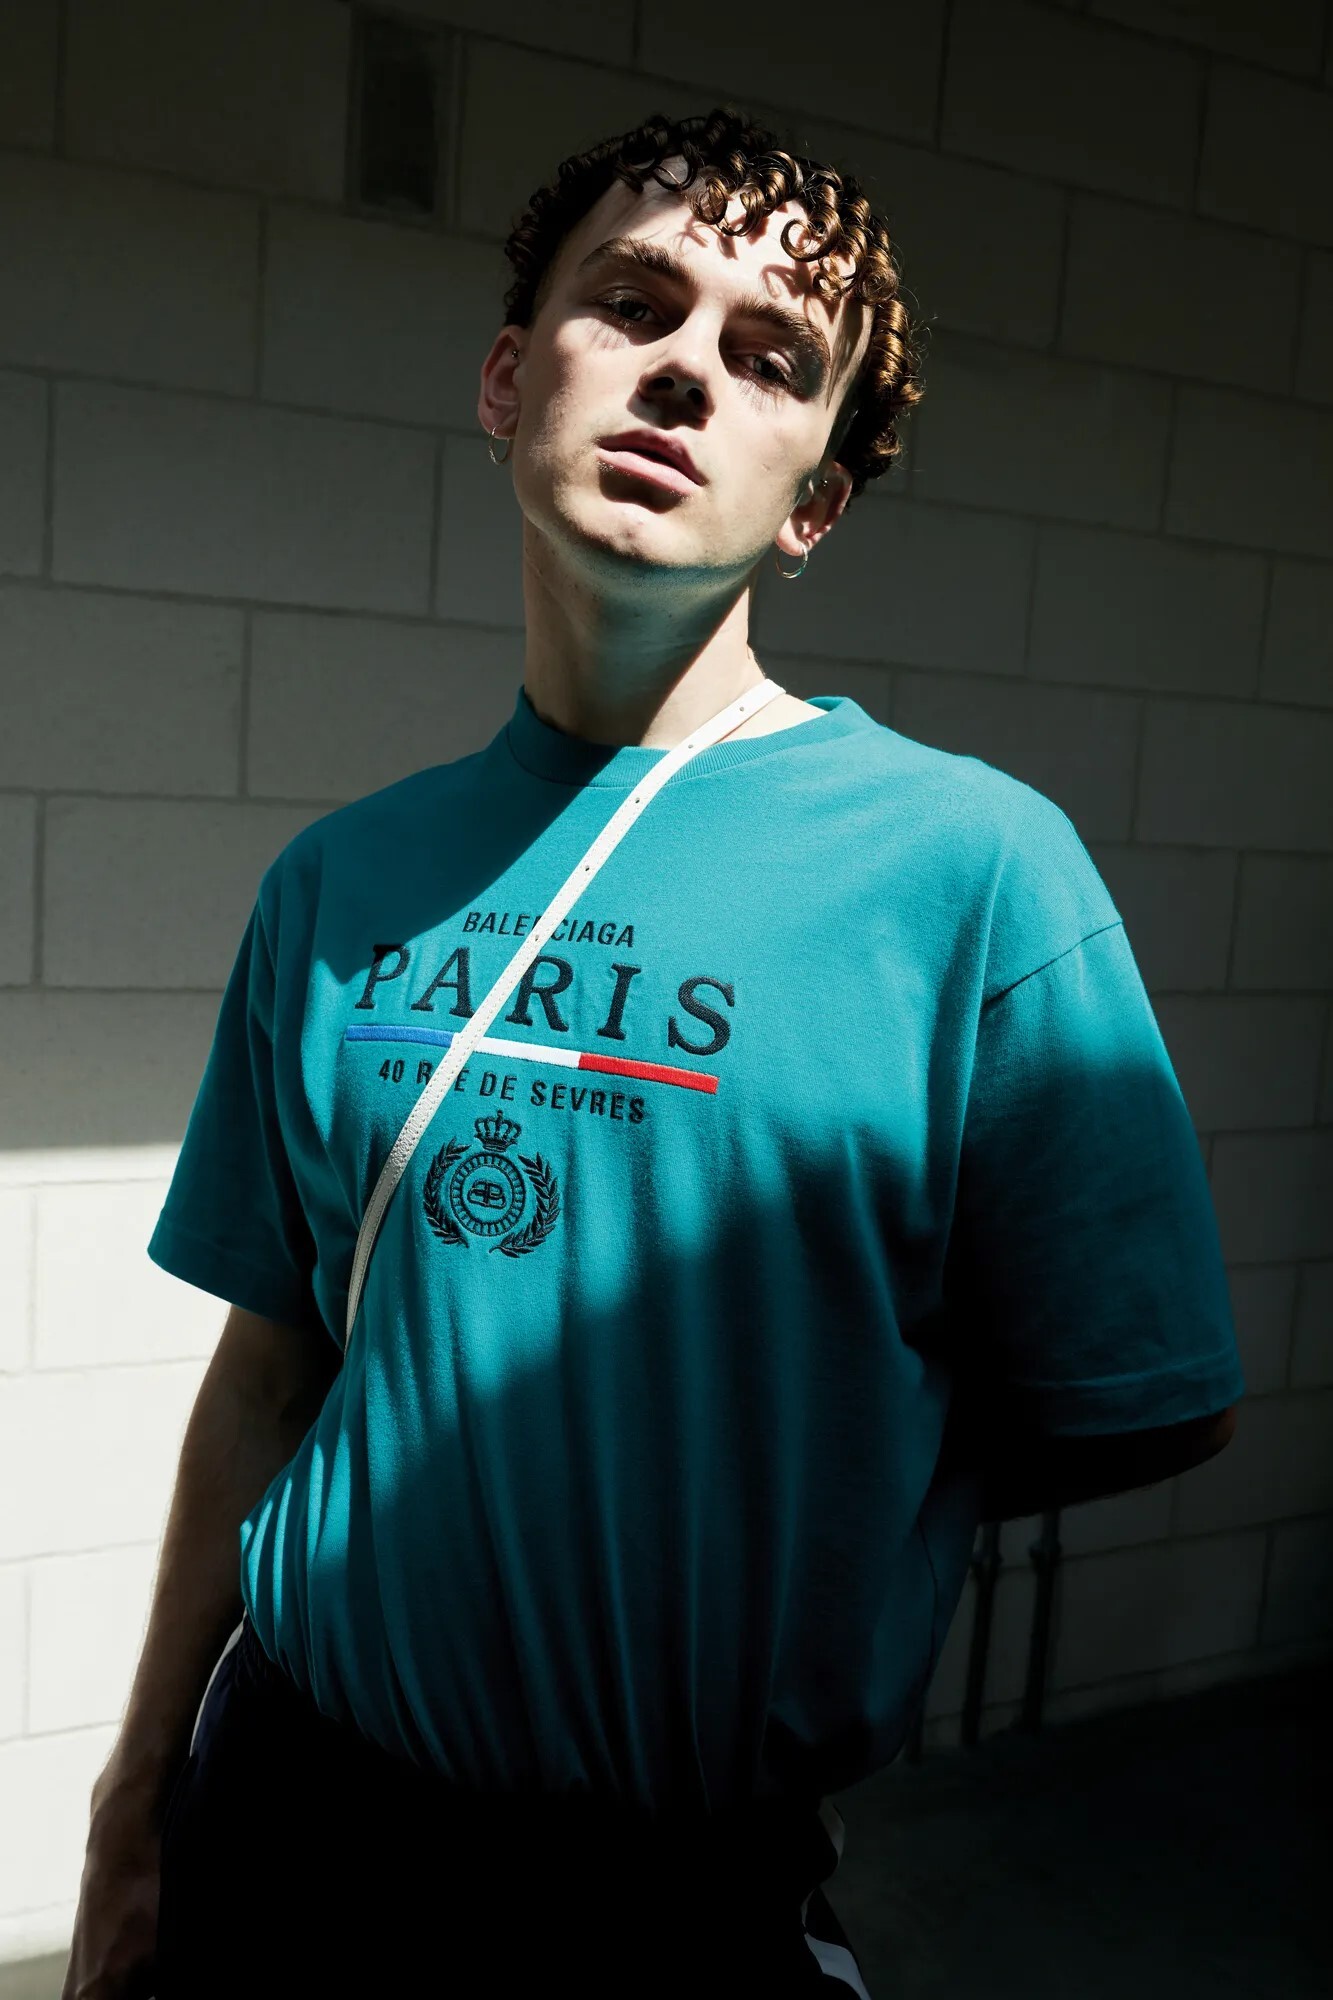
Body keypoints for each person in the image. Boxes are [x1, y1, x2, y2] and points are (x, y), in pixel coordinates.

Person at [63, 106, 1243, 1999]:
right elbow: (272, 1374)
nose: (687, 368)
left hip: (662, 1890)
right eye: (632, 303)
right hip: (286, 1814)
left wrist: (789, 1465)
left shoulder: (968, 873)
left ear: (812, 505)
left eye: (770, 357)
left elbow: (1135, 1393)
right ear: (509, 377)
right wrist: (132, 1807)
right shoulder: (340, 882)